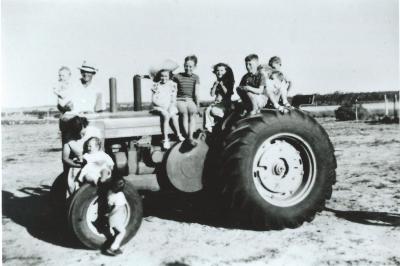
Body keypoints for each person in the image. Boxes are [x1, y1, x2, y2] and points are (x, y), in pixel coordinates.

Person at [61, 116, 102, 196]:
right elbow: (65, 158)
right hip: (78, 165)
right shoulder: (69, 137)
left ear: (84, 125)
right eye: (77, 134)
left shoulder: (95, 131)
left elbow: (101, 152)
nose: (80, 137)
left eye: (83, 133)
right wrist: (77, 165)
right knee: (74, 190)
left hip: (95, 163)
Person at [152, 69, 185, 149]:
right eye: (162, 76)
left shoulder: (173, 85)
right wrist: (163, 106)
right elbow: (154, 100)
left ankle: (178, 134)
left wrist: (170, 106)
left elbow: (173, 98)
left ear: (169, 76)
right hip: (159, 106)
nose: (164, 78)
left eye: (166, 76)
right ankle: (165, 139)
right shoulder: (156, 85)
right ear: (159, 76)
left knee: (173, 114)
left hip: (169, 105)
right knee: (166, 115)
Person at [173, 55, 200, 147]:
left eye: (190, 66)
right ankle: (187, 137)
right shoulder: (177, 76)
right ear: (184, 65)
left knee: (192, 113)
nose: (188, 68)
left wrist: (198, 106)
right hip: (179, 99)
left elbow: (196, 93)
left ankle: (190, 137)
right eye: (186, 66)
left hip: (190, 100)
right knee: (184, 113)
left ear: (195, 67)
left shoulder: (196, 77)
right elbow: (165, 76)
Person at [204, 63, 235, 132]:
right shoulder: (216, 82)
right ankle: (209, 128)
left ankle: (223, 123)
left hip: (225, 103)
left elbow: (228, 93)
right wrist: (215, 85)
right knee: (207, 110)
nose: (219, 72)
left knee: (213, 111)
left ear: (226, 71)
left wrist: (222, 85)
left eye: (221, 70)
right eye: (217, 70)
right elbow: (212, 94)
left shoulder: (229, 81)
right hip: (217, 103)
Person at [103, 177, 128, 256]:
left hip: (113, 216)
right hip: (115, 217)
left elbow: (110, 205)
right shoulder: (120, 196)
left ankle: (116, 246)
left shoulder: (110, 192)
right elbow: (116, 208)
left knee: (116, 231)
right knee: (122, 232)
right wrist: (109, 215)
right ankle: (113, 248)